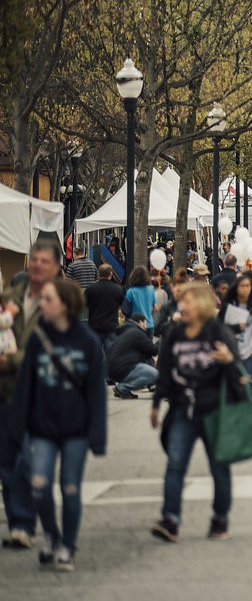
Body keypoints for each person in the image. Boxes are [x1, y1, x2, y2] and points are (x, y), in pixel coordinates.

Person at [10, 278, 106, 571]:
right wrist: (17, 427)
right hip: (43, 428)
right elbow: (25, 387)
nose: (42, 304)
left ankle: (68, 546)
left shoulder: (88, 341)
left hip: (77, 429)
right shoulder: (38, 338)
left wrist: (98, 434)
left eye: (48, 299)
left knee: (70, 487)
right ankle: (51, 534)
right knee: (39, 484)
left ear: (65, 305)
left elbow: (96, 392)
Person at [150, 283, 248, 544]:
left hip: (214, 411)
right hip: (183, 409)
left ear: (203, 304)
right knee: (175, 465)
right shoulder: (175, 335)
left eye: (188, 302)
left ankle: (220, 519)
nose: (182, 306)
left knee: (219, 467)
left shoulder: (218, 332)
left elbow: (239, 376)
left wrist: (228, 361)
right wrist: (156, 403)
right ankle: (170, 519)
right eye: (181, 302)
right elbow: (165, 371)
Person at [1, 239, 63, 550]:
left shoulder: (57, 307)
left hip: (38, 395)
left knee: (27, 459)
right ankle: (19, 524)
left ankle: (31, 519)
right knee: (8, 461)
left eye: (44, 261)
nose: (37, 265)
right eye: (34, 259)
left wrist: (11, 361)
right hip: (6, 393)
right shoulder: (7, 303)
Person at [108, 312, 160, 399]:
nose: (146, 326)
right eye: (145, 323)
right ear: (140, 322)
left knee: (147, 362)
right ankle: (123, 388)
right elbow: (153, 350)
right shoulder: (137, 333)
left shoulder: (126, 332)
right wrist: (161, 342)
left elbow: (146, 353)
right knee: (154, 374)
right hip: (123, 368)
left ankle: (125, 389)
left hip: (113, 370)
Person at [84, 264, 125, 352]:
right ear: (110, 274)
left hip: (94, 326)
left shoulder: (91, 289)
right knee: (111, 354)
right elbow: (122, 305)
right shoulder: (117, 289)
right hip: (111, 326)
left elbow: (85, 304)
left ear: (99, 274)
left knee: (95, 354)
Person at [123, 266, 157, 336]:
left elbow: (126, 311)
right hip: (149, 324)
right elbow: (155, 307)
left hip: (135, 325)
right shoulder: (151, 289)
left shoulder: (131, 292)